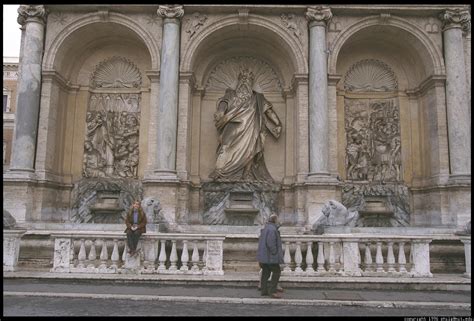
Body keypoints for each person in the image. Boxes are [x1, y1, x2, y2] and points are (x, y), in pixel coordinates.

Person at [210, 68, 282, 182]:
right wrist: (221, 111)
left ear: (251, 83)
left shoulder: (258, 98)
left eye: (247, 80)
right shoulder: (230, 93)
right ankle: (220, 171)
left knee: (251, 149)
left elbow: (269, 111)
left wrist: (277, 123)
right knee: (225, 147)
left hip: (251, 128)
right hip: (232, 126)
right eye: (242, 80)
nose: (244, 82)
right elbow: (224, 102)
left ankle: (247, 174)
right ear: (238, 82)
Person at [256, 214, 284, 299]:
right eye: (278, 220)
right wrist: (274, 252)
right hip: (270, 256)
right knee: (277, 271)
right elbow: (271, 243)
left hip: (265, 256)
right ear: (275, 220)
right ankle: (273, 291)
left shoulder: (266, 228)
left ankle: (264, 291)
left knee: (265, 272)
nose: (279, 221)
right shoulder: (272, 229)